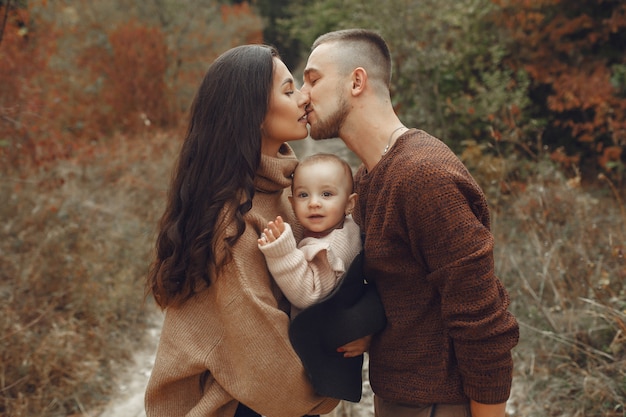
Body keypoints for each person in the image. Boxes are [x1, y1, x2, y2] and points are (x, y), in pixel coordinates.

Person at [300, 29, 520, 417]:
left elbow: (482, 318)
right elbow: (401, 286)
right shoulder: (369, 177)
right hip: (401, 397)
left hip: (440, 402)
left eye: (313, 79)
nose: (303, 95)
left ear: (356, 81)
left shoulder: (423, 176)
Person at [143, 45, 339, 417]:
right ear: (253, 114)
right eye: (287, 90)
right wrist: (333, 385)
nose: (303, 99)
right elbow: (271, 370)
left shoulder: (283, 189)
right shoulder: (232, 220)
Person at [257, 153, 360, 317]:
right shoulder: (349, 228)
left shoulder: (328, 249)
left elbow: (306, 295)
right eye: (303, 195)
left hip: (321, 337)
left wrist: (282, 252)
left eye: (326, 194)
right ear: (292, 204)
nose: (313, 203)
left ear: (349, 204)